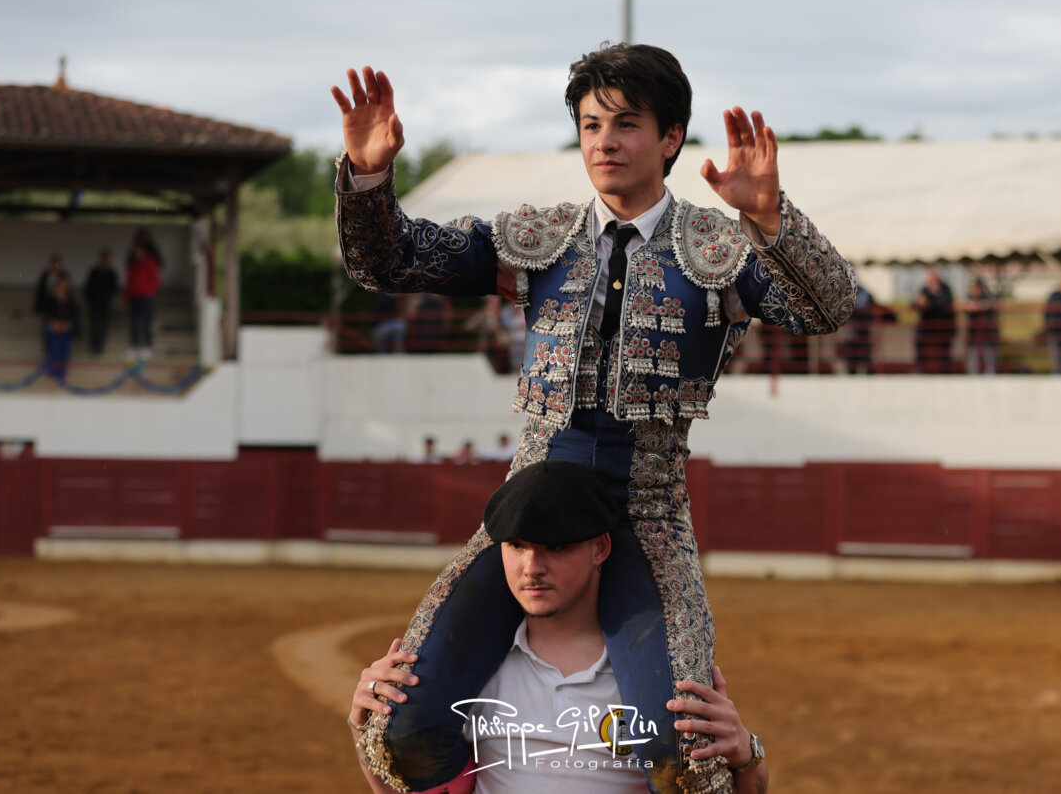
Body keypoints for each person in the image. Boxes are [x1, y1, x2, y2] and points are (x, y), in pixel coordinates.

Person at [333, 44, 854, 792]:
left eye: (626, 124)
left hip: (646, 516)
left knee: (688, 756)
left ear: (670, 137)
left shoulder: (719, 250)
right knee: (402, 732)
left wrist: (770, 216)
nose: (604, 141)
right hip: (529, 512)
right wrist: (369, 176)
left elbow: (828, 307)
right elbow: (389, 262)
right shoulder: (537, 241)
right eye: (589, 124)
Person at [350, 461, 769, 794]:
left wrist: (747, 753)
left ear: (600, 548)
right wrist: (368, 730)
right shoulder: (473, 672)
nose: (532, 569)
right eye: (517, 546)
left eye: (556, 547)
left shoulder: (650, 676)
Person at [124, 243, 161, 362]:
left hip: (146, 296)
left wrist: (150, 290)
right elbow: (129, 280)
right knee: (133, 322)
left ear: (143, 252)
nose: (137, 253)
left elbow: (156, 279)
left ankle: (147, 347)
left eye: (139, 251)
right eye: (135, 251)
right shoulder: (133, 264)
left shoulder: (150, 262)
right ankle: (134, 346)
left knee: (146, 322)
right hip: (134, 297)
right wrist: (126, 295)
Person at [912, 268, 954, 374]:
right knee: (919, 341)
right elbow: (914, 304)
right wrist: (919, 303)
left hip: (943, 327)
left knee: (944, 350)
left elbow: (945, 303)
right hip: (927, 326)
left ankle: (945, 370)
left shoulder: (945, 289)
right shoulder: (925, 289)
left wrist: (928, 303)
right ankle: (920, 367)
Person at [83, 249, 120, 355]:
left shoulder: (112, 273)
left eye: (106, 259)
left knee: (103, 325)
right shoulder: (94, 272)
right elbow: (88, 287)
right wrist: (85, 298)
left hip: (105, 303)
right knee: (94, 324)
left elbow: (115, 289)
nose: (104, 261)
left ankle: (99, 346)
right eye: (103, 259)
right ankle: (93, 345)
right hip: (94, 302)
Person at [959, 277, 999, 375]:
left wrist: (980, 306)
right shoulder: (970, 297)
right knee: (973, 359)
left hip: (987, 334)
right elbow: (965, 306)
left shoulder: (988, 296)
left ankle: (990, 375)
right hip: (974, 335)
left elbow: (994, 305)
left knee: (989, 358)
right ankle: (973, 376)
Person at [43, 275, 79, 380]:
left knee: (64, 351)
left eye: (65, 286)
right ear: (57, 286)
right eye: (61, 285)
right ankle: (53, 372)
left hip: (66, 328)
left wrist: (67, 324)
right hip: (54, 327)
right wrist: (56, 323)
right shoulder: (51, 298)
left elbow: (73, 313)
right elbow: (48, 313)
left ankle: (61, 372)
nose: (63, 287)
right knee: (54, 350)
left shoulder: (70, 299)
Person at [32, 254, 67, 354]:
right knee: (47, 328)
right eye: (53, 264)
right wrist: (37, 308)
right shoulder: (45, 276)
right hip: (47, 306)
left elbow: (67, 292)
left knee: (60, 328)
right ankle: (48, 348)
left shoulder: (63, 276)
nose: (55, 266)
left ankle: (59, 349)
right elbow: (40, 292)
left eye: (57, 264)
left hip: (59, 307)